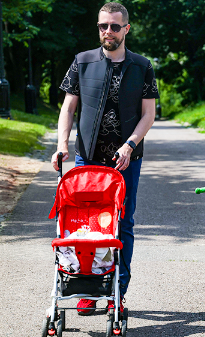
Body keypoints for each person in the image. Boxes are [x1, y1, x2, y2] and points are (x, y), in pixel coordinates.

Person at [51, 2, 158, 315]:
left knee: (122, 223)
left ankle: (116, 292)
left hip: (126, 161)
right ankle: (87, 288)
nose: (107, 32)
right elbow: (68, 109)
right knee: (84, 224)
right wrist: (62, 145)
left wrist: (129, 145)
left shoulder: (142, 65)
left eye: (114, 26)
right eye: (102, 26)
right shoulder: (82, 62)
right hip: (87, 160)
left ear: (126, 28)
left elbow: (148, 114)